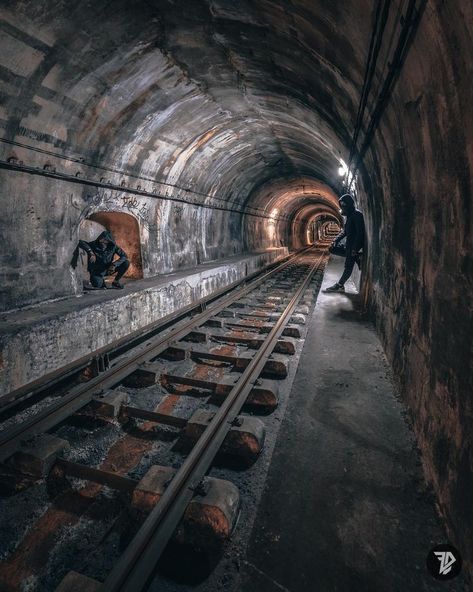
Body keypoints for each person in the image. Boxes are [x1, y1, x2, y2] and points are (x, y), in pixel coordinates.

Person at [325, 194, 365, 292]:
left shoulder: (357, 215)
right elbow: (345, 231)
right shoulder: (349, 216)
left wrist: (355, 249)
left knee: (348, 266)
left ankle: (340, 285)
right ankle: (357, 257)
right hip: (348, 245)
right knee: (332, 248)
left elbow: (360, 233)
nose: (343, 207)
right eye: (342, 205)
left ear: (350, 204)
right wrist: (335, 240)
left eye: (344, 205)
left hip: (353, 246)